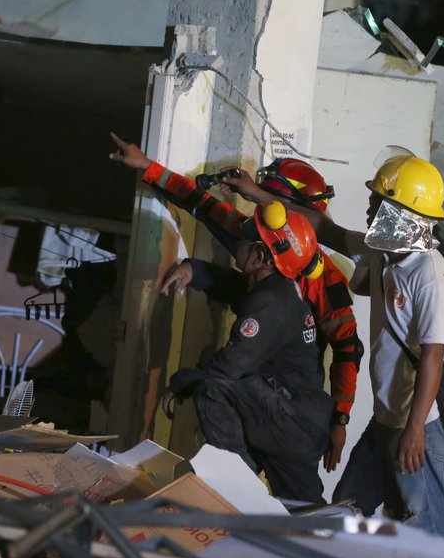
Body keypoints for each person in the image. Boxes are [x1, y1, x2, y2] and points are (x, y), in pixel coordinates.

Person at [223, 147, 444, 537]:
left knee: (426, 527)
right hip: (386, 419)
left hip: (415, 424)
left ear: (399, 214)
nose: (367, 210)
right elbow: (322, 227)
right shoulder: (386, 249)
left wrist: (415, 428)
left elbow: (434, 355)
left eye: (375, 202)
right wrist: (256, 194)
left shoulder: (429, 274)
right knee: (347, 508)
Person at [109, 134, 363, 473]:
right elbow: (202, 205)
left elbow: (348, 351)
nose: (250, 223)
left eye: (266, 206)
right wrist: (147, 166)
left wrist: (340, 419)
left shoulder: (324, 282)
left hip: (291, 409)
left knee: (296, 497)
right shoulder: (257, 237)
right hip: (249, 385)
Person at [157, 203, 333, 503]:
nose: (240, 240)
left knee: (211, 385)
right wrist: (195, 269)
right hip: (293, 419)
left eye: (248, 238)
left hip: (288, 423)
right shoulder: (276, 292)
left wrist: (180, 382)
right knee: (303, 515)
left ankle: (236, 488)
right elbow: (236, 288)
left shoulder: (272, 304)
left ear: (261, 256)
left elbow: (229, 368)